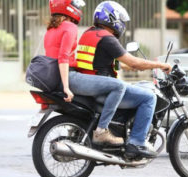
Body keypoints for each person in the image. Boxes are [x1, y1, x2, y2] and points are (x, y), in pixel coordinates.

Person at [75, 1, 172, 158]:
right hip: (103, 89)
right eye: (120, 19)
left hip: (92, 84)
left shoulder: (89, 34)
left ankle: (121, 130)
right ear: (112, 18)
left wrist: (141, 65)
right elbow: (134, 62)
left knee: (133, 89)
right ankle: (136, 143)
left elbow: (115, 63)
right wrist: (160, 65)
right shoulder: (108, 39)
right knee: (148, 98)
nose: (122, 23)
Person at [44, 0, 127, 145]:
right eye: (75, 5)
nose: (78, 9)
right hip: (68, 76)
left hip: (53, 77)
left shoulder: (51, 30)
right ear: (69, 8)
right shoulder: (69, 27)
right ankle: (102, 131)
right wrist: (66, 87)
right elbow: (62, 58)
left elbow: (51, 56)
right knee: (118, 86)